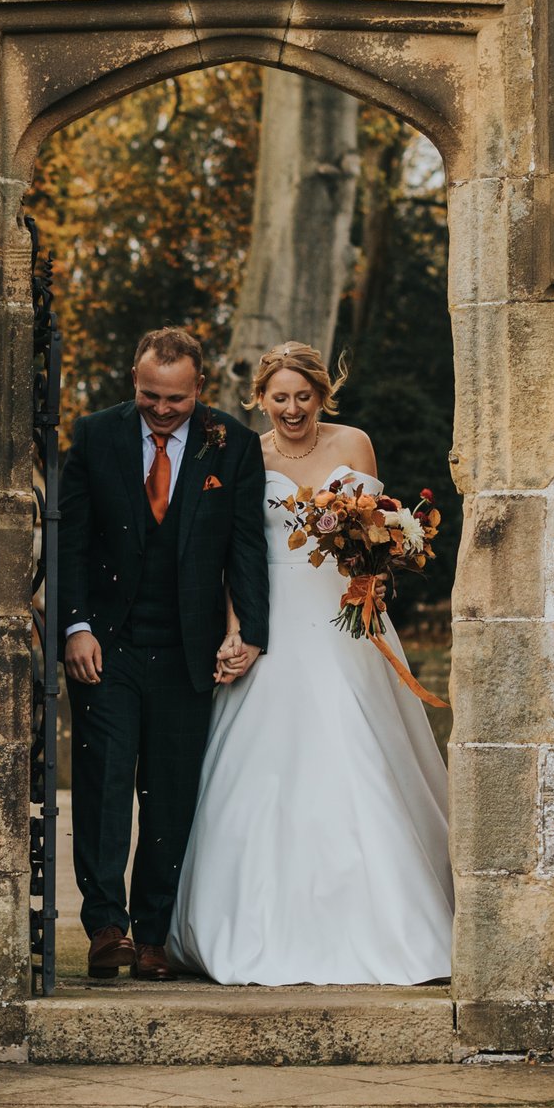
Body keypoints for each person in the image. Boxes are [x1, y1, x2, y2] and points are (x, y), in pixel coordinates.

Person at [166, 342, 452, 985]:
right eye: (279, 397)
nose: (292, 409)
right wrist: (239, 632)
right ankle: (248, 923)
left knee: (358, 747)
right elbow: (237, 552)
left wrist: (384, 553)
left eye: (304, 396)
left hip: (348, 616)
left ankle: (388, 919)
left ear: (323, 395)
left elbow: (385, 533)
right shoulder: (246, 453)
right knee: (262, 761)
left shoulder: (355, 444)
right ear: (260, 399)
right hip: (274, 618)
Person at [58, 328, 271, 981]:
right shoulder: (95, 435)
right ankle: (106, 928)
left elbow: (245, 546)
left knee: (172, 792)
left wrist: (252, 631)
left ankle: (153, 933)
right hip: (108, 645)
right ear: (133, 378)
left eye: (175, 398)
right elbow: (68, 538)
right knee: (104, 784)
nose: (161, 408)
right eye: (149, 394)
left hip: (189, 648)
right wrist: (76, 626)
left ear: (199, 387)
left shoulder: (232, 443)